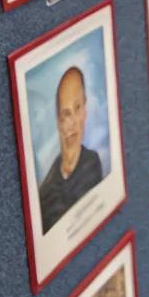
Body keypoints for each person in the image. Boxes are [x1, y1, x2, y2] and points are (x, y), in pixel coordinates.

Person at [37, 65, 103, 234]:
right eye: (66, 114)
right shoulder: (45, 193)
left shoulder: (92, 164)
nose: (73, 122)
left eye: (78, 108)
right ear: (59, 122)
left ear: (86, 109)